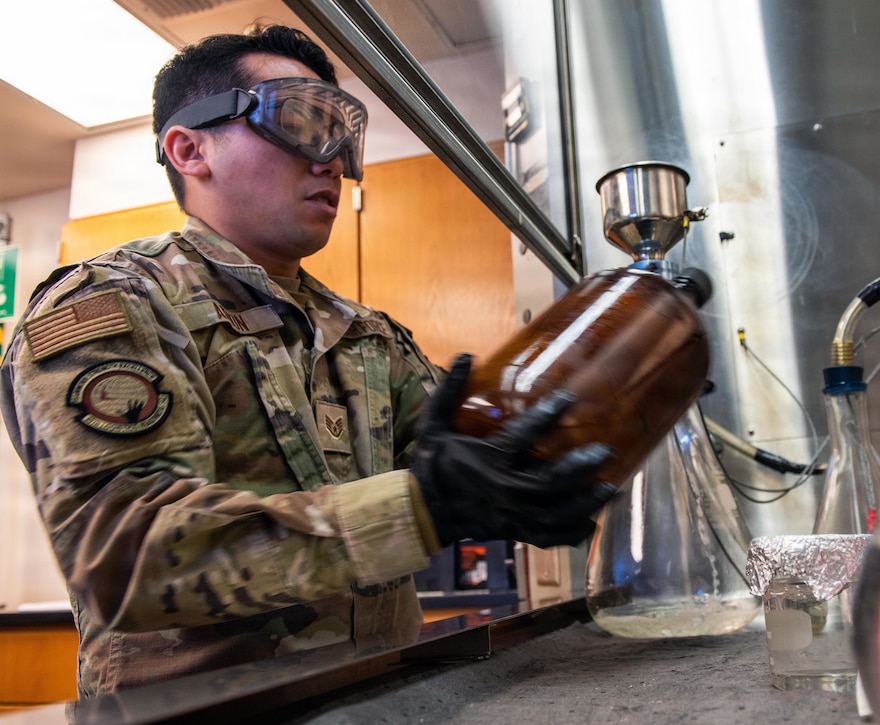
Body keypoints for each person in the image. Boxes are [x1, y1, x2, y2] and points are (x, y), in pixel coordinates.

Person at [0, 25, 614, 698]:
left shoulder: (369, 337)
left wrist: (629, 345)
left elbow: (503, 447)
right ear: (190, 148)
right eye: (299, 120)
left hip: (383, 703)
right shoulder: (117, 302)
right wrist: (424, 506)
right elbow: (127, 556)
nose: (333, 161)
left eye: (340, 134)